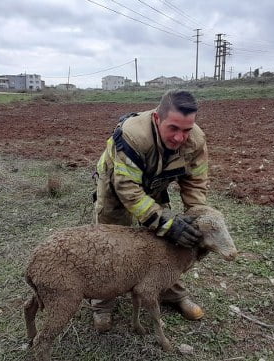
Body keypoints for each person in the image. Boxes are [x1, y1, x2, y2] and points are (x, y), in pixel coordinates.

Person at [91, 89, 209, 332]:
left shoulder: (196, 140)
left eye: (186, 129)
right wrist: (166, 222)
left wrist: (193, 217)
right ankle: (102, 303)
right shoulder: (133, 135)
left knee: (164, 243)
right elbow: (128, 190)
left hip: (155, 181)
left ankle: (170, 292)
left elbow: (195, 183)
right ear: (157, 118)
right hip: (117, 183)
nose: (180, 137)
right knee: (110, 242)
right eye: (173, 128)